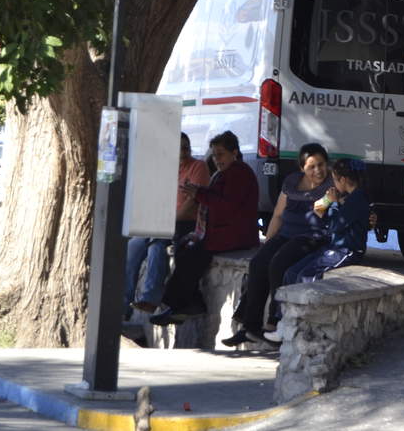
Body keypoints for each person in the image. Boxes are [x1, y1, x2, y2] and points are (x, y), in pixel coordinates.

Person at [221, 143, 332, 346]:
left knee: (278, 264)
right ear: (302, 168)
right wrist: (267, 243)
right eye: (312, 166)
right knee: (258, 263)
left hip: (310, 236)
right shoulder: (291, 183)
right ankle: (250, 327)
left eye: (321, 164)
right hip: (286, 234)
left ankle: (274, 322)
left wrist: (326, 197)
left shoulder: (330, 188)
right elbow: (278, 215)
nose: (318, 170)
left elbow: (317, 214)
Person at [151, 131, 259, 324]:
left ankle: (175, 305)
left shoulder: (239, 173)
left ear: (234, 153)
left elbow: (227, 205)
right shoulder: (224, 173)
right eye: (215, 155)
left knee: (193, 254)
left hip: (234, 234)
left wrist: (199, 194)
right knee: (183, 247)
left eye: (221, 154)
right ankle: (190, 302)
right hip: (220, 230)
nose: (217, 159)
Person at [125, 133, 210, 315]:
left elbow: (192, 203)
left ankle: (150, 298)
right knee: (134, 245)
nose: (184, 151)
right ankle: (124, 305)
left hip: (186, 223)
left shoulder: (198, 167)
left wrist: (166, 222)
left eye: (186, 147)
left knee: (156, 244)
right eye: (179, 148)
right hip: (163, 222)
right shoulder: (168, 169)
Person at [284, 160, 371, 284]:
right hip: (333, 247)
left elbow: (335, 225)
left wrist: (334, 203)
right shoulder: (347, 196)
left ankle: (308, 298)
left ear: (343, 180)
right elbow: (323, 214)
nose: (334, 184)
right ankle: (285, 297)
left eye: (335, 180)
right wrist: (327, 204)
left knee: (307, 277)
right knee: (292, 272)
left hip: (346, 251)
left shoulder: (356, 199)